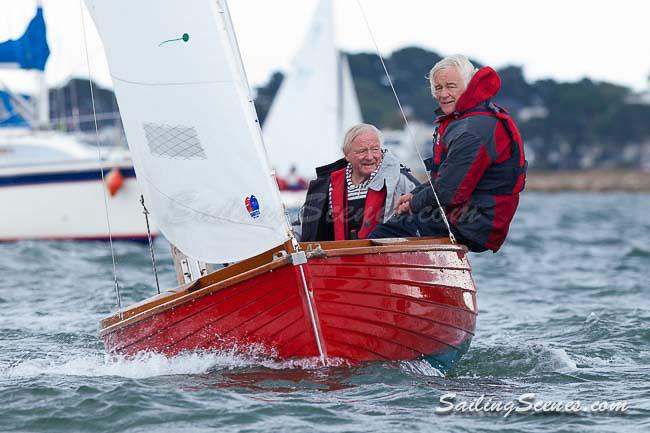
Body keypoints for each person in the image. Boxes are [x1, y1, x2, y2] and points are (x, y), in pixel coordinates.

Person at [369, 55, 527, 252]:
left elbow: (448, 191)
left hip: (475, 224)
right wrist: (414, 195)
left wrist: (414, 203)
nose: (443, 94)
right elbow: (448, 178)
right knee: (396, 223)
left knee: (383, 235)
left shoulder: (472, 129)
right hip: (469, 218)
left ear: (469, 85)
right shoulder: (471, 120)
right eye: (438, 88)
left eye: (451, 86)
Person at [297, 123, 418, 241]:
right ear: (347, 155)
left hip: (387, 257)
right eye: (362, 151)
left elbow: (425, 216)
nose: (370, 156)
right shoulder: (328, 185)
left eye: (375, 149)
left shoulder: (401, 181)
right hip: (343, 257)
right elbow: (305, 223)